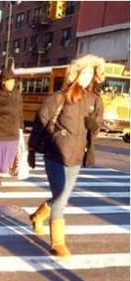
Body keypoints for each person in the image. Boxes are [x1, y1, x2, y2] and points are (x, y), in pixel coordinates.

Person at [28, 54, 104, 258]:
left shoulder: (95, 100)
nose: (87, 77)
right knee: (61, 196)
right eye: (84, 72)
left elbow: (97, 128)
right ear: (76, 73)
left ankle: (37, 216)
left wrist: (94, 126)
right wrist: (35, 146)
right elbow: (41, 119)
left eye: (91, 73)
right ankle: (57, 243)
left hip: (76, 156)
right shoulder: (60, 97)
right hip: (56, 153)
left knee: (62, 197)